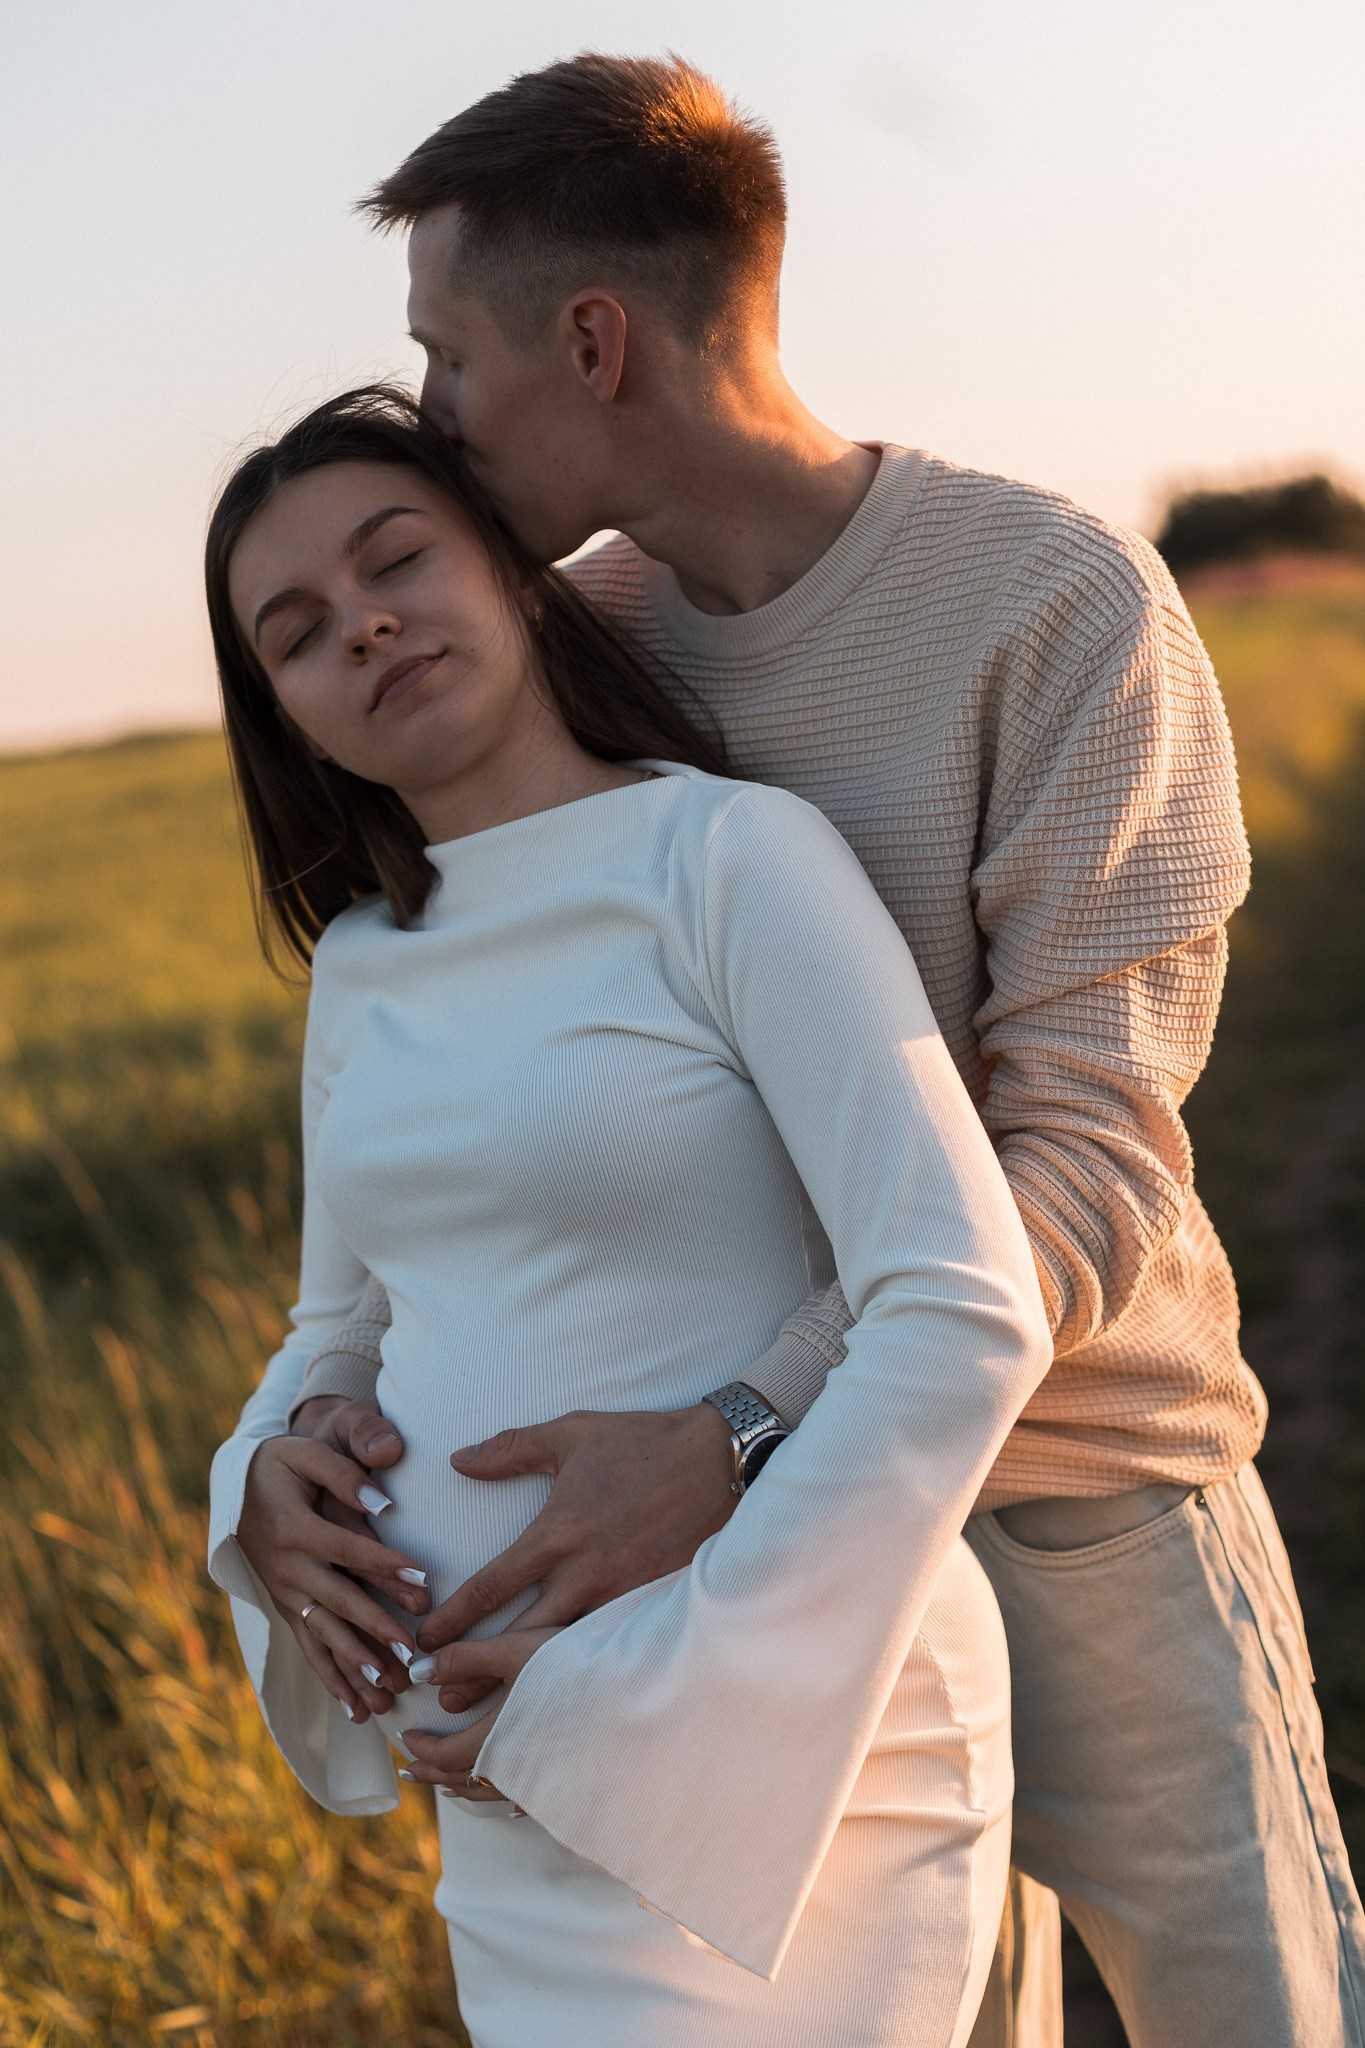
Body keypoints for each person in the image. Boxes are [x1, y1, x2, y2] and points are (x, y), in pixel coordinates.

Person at [220, 53, 1365, 2048]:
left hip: (1072, 1489)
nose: (433, 423)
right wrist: (304, 1439)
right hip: (724, 1578)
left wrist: (741, 1430)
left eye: (447, 360)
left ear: (590, 341)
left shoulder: (1052, 608)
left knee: (1241, 2011)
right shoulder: (579, 654)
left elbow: (1083, 1165)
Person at [204, 384, 1052, 2046]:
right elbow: (344, 1322)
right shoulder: (361, 968)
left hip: (787, 1743)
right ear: (287, 714)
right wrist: (269, 1474)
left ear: (515, 575)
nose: (361, 624)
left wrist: (654, 1606)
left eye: (398, 561)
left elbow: (959, 1302)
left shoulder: (728, 861)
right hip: (506, 1801)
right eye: (297, 633)